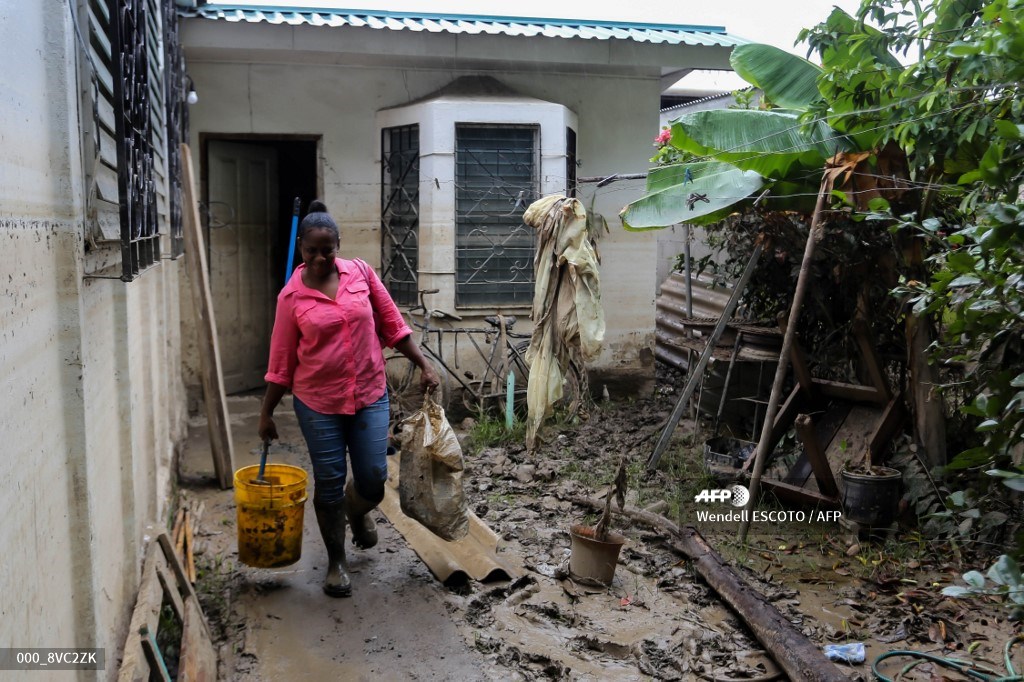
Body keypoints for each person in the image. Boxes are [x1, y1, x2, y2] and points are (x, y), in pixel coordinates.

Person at [257, 199, 438, 598]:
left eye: (327, 249)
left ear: (338, 244)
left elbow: (392, 324)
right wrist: (266, 412)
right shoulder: (291, 298)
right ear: (301, 249)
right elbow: (281, 361)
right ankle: (337, 561)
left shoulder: (361, 274)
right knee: (329, 482)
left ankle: (356, 512)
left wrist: (424, 365)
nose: (320, 258)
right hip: (318, 402)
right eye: (311, 251)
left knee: (373, 480)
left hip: (370, 393)